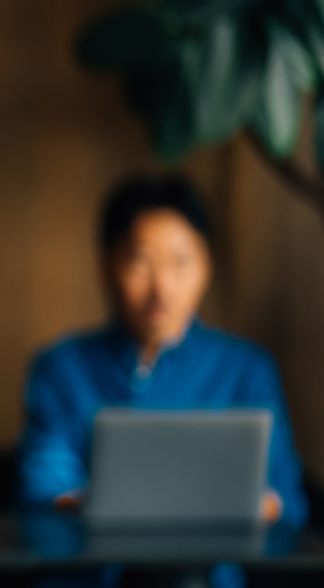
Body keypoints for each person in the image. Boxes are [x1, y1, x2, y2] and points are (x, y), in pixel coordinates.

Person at [18, 174, 308, 587]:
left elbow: (288, 502)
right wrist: (97, 504)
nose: (162, 287)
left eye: (181, 262)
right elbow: (42, 485)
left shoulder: (246, 370)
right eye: (140, 262)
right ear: (105, 267)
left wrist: (256, 504)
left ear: (207, 268)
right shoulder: (61, 368)